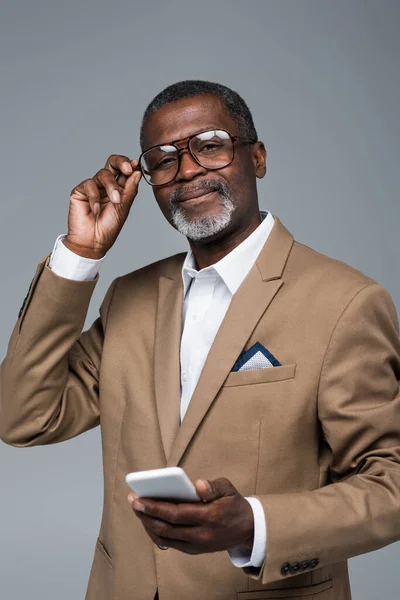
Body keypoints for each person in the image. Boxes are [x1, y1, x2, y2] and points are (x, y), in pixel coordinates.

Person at [1, 80, 399, 600]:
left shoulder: (346, 303)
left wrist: (253, 525)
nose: (186, 170)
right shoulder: (129, 298)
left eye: (209, 145)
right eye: (163, 160)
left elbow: (389, 483)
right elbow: (23, 416)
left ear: (256, 157)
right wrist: (80, 254)